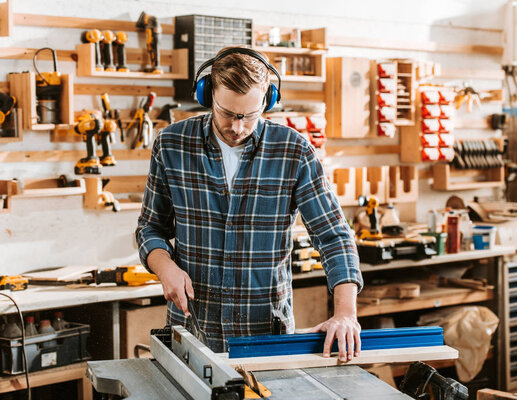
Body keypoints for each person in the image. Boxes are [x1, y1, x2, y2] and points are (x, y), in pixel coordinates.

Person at [136, 47, 363, 361]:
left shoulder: (293, 151)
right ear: (206, 94)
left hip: (267, 338)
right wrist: (165, 268)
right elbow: (150, 229)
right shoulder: (172, 145)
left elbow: (333, 236)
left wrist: (346, 313)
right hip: (192, 331)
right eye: (227, 113)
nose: (237, 127)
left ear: (267, 101)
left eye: (249, 116)